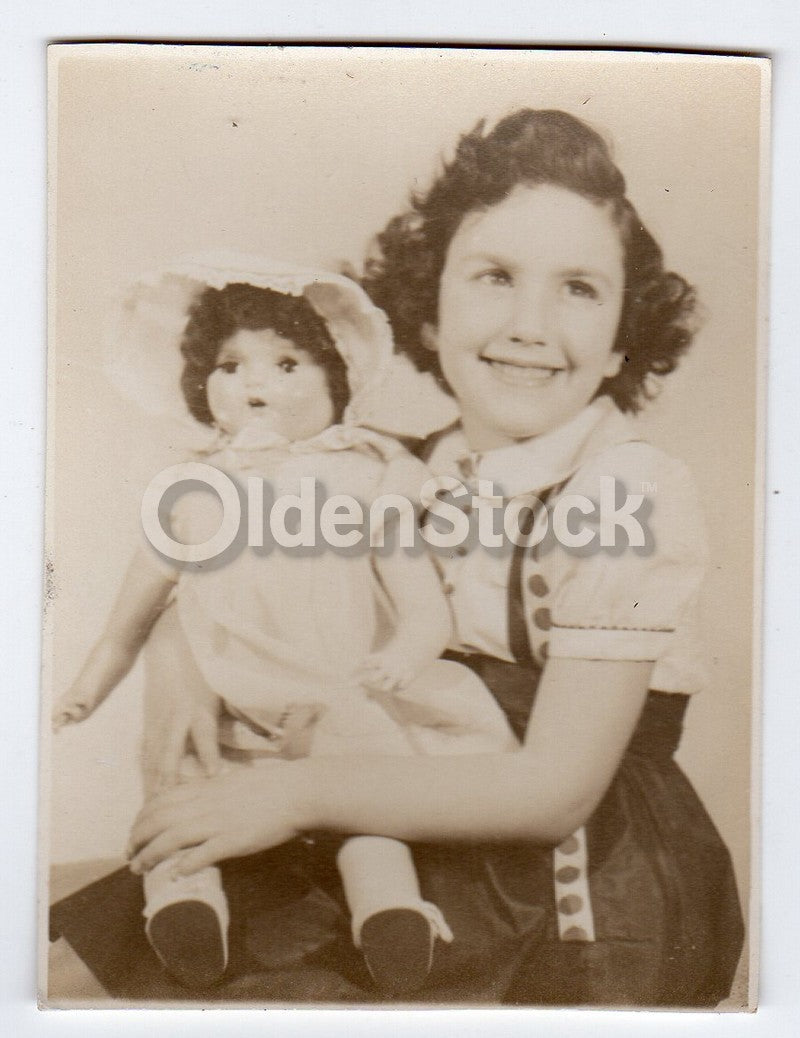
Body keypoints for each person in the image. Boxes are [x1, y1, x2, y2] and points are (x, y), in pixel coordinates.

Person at [54, 109, 745, 1007]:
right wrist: (179, 659)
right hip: (383, 825)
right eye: (494, 277)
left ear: (623, 337)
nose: (530, 325)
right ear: (428, 307)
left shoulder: (624, 491)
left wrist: (297, 795)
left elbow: (554, 792)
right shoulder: (387, 471)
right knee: (92, 955)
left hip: (565, 875)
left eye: (579, 288)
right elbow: (239, 581)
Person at [51, 258, 516, 994]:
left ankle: (392, 917)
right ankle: (183, 909)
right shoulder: (190, 492)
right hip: (231, 708)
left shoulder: (371, 478)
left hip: (343, 695)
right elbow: (129, 618)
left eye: (287, 362)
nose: (252, 382)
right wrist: (86, 688)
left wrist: (402, 656)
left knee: (371, 802)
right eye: (229, 365)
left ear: (339, 381)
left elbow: (423, 602)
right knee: (183, 786)